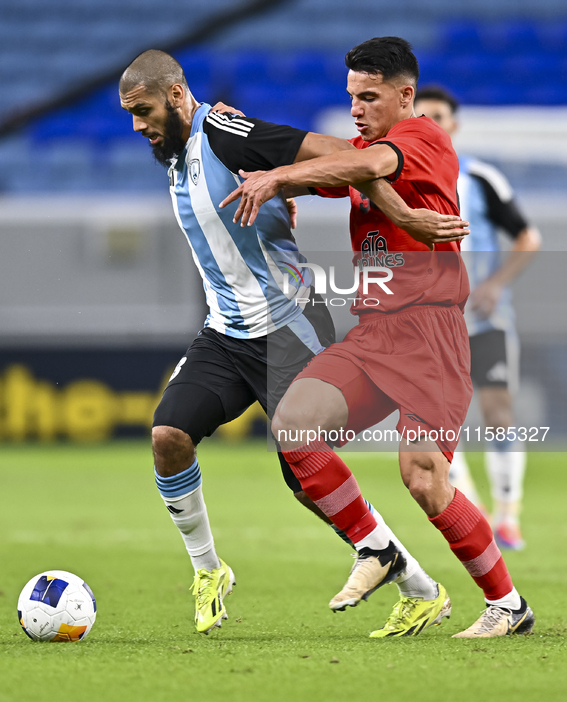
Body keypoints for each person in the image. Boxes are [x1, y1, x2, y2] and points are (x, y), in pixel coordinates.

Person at [118, 50, 466, 637]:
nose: (137, 125)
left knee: (309, 480)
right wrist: (280, 194)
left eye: (144, 110)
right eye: (130, 114)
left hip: (289, 324)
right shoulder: (176, 153)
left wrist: (403, 213)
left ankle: (418, 586)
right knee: (168, 437)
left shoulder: (224, 130)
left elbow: (349, 157)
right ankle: (209, 570)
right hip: (227, 331)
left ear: (177, 96)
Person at [222, 37, 535, 638]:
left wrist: (282, 174)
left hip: (431, 336)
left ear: (405, 94)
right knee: (293, 424)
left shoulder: (424, 139)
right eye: (351, 98)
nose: (356, 109)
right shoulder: (369, 148)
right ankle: (376, 548)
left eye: (369, 96)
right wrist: (275, 181)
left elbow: (364, 167)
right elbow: (341, 169)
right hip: (374, 334)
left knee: (423, 478)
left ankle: (507, 605)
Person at [414, 87, 542, 550]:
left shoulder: (481, 177)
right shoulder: (398, 178)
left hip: (486, 320)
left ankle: (509, 513)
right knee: (441, 421)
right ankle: (478, 514)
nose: (432, 123)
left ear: (454, 125)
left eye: (439, 117)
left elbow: (527, 236)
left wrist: (494, 284)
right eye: (422, 117)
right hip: (431, 326)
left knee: (498, 412)